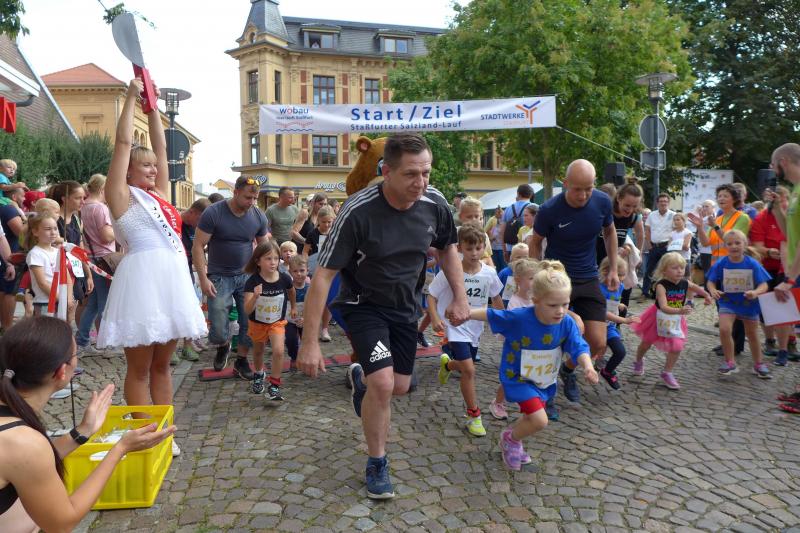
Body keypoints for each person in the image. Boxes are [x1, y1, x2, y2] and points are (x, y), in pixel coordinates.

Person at [297, 133, 469, 500]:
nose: (420, 183)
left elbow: (447, 248)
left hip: (405, 308)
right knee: (385, 384)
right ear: (386, 171)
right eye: (411, 174)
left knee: (401, 386)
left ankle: (362, 379)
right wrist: (310, 342)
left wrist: (459, 296)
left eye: (426, 173)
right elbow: (323, 277)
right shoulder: (357, 210)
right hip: (364, 306)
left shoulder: (435, 203)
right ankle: (377, 462)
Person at [99, 78, 207, 456]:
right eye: (143, 165)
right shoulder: (121, 195)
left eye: (153, 166)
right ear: (127, 171)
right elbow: (122, 144)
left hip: (171, 281)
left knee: (163, 367)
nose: (152, 168)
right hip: (142, 282)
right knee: (140, 369)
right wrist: (131, 97)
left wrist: (153, 107)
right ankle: (144, 437)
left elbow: (162, 148)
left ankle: (166, 435)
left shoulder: (159, 194)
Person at [0, 316, 174, 532]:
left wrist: (82, 432)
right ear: (61, 372)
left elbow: (25, 463)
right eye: (75, 355)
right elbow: (62, 523)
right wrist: (120, 449)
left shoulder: (17, 433)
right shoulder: (24, 442)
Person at [470, 260, 598, 471]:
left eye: (565, 304)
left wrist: (588, 366)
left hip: (543, 380)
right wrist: (466, 313)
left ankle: (516, 440)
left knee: (530, 417)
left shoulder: (566, 322)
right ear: (536, 300)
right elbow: (494, 315)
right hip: (518, 378)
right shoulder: (521, 317)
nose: (560, 311)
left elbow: (579, 346)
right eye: (553, 305)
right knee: (540, 420)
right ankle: (510, 439)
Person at [529, 159, 618, 409]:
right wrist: (538, 277)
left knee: (598, 343)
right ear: (565, 183)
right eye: (577, 189)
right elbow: (535, 242)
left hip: (588, 276)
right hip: (558, 278)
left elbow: (610, 232)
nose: (583, 195)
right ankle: (544, 392)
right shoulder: (549, 209)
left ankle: (568, 369)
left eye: (588, 188)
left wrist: (613, 267)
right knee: (553, 338)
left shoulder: (602, 202)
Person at [428, 222, 503, 437]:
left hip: (475, 328)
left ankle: (448, 365)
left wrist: (505, 323)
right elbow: (431, 295)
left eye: (478, 248)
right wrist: (435, 318)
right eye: (469, 248)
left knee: (463, 366)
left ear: (484, 247)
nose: (474, 253)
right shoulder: (451, 271)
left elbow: (496, 299)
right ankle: (474, 415)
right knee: (469, 370)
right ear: (460, 248)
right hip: (454, 326)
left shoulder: (489, 273)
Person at [193, 176, 270, 378]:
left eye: (255, 198)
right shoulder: (214, 212)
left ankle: (241, 361)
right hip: (219, 277)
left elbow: (265, 247)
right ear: (235, 192)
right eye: (247, 198)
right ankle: (223, 344)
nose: (252, 202)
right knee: (218, 329)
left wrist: (269, 275)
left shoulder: (258, 216)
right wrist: (203, 278)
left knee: (249, 322)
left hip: (247, 277)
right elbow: (198, 246)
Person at [630, 252, 712, 389]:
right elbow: (663, 307)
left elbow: (695, 287)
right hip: (657, 318)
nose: (679, 271)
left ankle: (667, 372)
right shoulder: (661, 285)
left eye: (682, 268)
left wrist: (707, 295)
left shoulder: (684, 282)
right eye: (674, 268)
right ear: (664, 270)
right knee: (646, 343)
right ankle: (638, 361)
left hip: (676, 319)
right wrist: (680, 310)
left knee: (677, 346)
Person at [688, 184, 752, 357]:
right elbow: (706, 243)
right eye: (720, 196)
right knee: (722, 306)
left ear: (734, 199)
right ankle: (727, 341)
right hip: (718, 267)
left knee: (735, 306)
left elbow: (733, 241)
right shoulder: (718, 218)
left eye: (725, 196)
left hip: (735, 267)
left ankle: (736, 345)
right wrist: (700, 227)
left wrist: (715, 227)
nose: (721, 199)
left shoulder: (742, 217)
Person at [706, 230, 772, 378]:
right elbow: (710, 281)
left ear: (745, 244)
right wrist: (713, 290)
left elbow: (764, 285)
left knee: (752, 334)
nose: (734, 246)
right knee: (724, 329)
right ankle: (730, 362)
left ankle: (759, 364)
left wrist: (755, 292)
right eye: (729, 244)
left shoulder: (752, 263)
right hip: (728, 302)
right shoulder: (721, 262)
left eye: (737, 243)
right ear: (725, 246)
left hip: (748, 303)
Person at [243, 240, 296, 400]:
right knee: (258, 351)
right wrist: (255, 297)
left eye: (276, 258)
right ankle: (259, 374)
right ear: (258, 261)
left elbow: (291, 291)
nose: (273, 262)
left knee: (278, 351)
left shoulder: (284, 278)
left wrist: (293, 307)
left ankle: (274, 385)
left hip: (277, 322)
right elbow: (247, 310)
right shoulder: (252, 282)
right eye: (268, 258)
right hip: (257, 323)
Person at [751, 186, 793, 365]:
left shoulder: (792, 217)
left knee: (785, 308)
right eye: (775, 199)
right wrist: (768, 251)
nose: (780, 203)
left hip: (788, 267)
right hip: (767, 266)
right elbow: (757, 245)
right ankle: (770, 341)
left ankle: (786, 347)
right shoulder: (761, 217)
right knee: (767, 306)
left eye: (783, 199)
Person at [76, 174, 116, 356]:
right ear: (102, 189)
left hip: (91, 259)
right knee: (105, 304)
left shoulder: (84, 207)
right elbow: (106, 236)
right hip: (103, 259)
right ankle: (106, 344)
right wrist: (120, 231)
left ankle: (82, 340)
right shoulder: (100, 208)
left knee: (92, 304)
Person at [173, 197, 211, 364]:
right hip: (171, 271)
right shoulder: (174, 222)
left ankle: (187, 346)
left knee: (189, 307)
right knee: (173, 309)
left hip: (186, 271)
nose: (202, 224)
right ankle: (170, 349)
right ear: (192, 212)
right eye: (201, 219)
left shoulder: (195, 228)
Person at [50, 180, 93, 326]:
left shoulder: (76, 218)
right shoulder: (54, 220)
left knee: (70, 313)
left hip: (75, 270)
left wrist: (88, 274)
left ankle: (67, 338)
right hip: (58, 271)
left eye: (83, 198)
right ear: (64, 198)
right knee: (56, 314)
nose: (83, 202)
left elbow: (80, 248)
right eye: (78, 198)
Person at [597, 256, 639, 390]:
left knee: (620, 351)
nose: (621, 278)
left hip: (609, 327)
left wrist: (619, 304)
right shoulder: (598, 288)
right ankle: (567, 369)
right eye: (619, 274)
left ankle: (607, 371)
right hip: (595, 326)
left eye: (623, 275)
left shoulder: (620, 286)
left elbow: (613, 301)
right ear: (605, 272)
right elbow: (602, 312)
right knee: (586, 352)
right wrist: (625, 320)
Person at [642, 193, 675, 298]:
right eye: (661, 201)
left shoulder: (673, 215)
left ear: (668, 203)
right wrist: (649, 244)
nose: (663, 203)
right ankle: (645, 292)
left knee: (668, 270)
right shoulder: (652, 215)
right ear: (657, 203)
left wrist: (671, 244)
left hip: (667, 247)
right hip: (654, 246)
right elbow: (647, 230)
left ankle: (668, 293)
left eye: (665, 201)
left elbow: (676, 230)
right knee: (649, 270)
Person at [0, 187, 24, 331]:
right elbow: (22, 233)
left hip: (6, 258)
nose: (24, 199)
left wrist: (9, 263)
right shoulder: (9, 209)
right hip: (12, 253)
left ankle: (5, 326)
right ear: (14, 197)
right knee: (9, 291)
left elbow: (1, 238)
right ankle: (7, 327)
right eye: (22, 196)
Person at [285, 254, 309, 370]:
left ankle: (305, 359)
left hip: (306, 320)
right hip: (290, 320)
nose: (299, 274)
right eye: (295, 271)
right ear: (290, 272)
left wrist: (305, 318)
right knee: (291, 340)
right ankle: (294, 357)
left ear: (307, 270)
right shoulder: (287, 288)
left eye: (302, 270)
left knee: (307, 340)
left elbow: (313, 305)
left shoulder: (310, 288)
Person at [500, 184, 534, 262]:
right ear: (531, 195)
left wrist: (504, 250)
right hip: (528, 250)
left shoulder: (508, 209)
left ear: (518, 194)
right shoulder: (534, 208)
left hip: (511, 249)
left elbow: (502, 231)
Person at [485, 205, 506, 271]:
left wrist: (491, 238)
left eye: (497, 212)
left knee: (501, 266)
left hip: (501, 249)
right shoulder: (494, 222)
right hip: (495, 248)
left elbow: (492, 235)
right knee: (498, 266)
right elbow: (487, 231)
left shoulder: (504, 224)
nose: (495, 214)